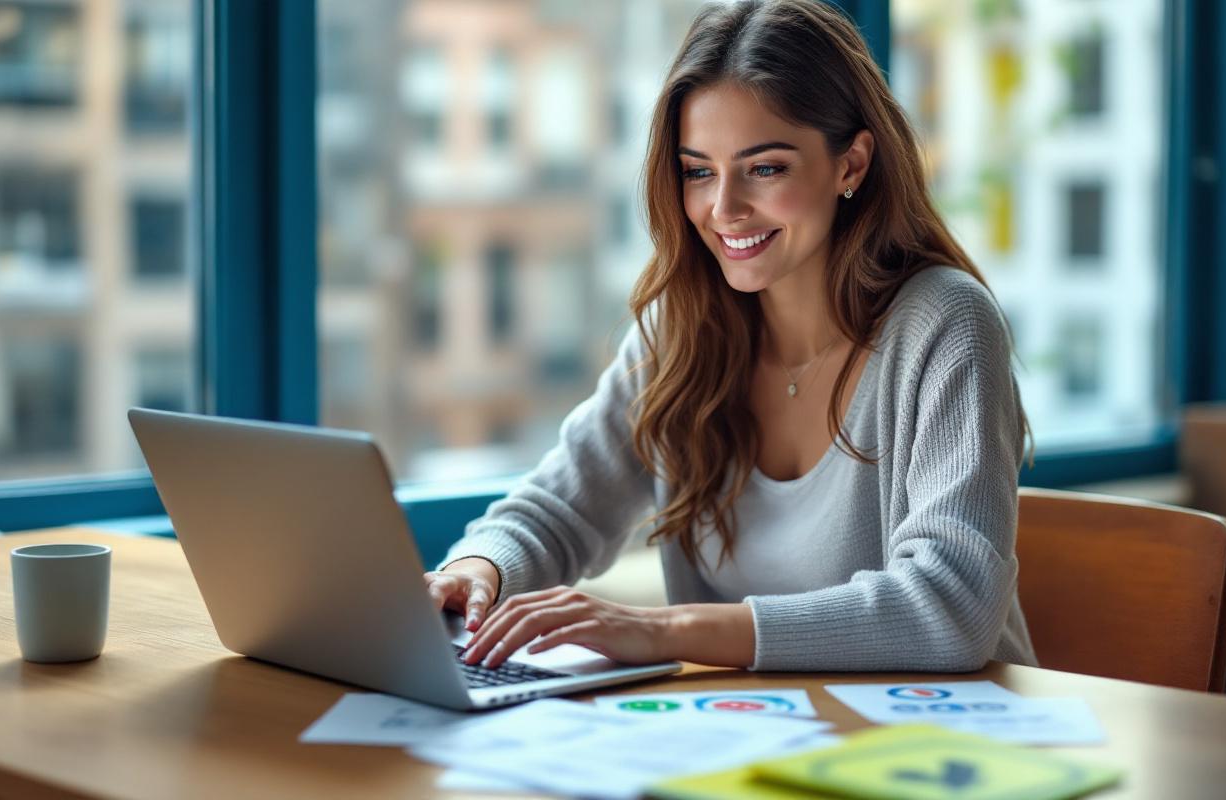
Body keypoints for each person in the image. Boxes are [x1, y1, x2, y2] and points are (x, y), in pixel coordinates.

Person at [423, 0, 1037, 674]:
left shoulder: (947, 324)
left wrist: (666, 630)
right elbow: (559, 509)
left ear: (851, 165)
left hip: (942, 751)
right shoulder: (680, 330)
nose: (724, 209)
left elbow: (952, 606)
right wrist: (477, 570)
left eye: (765, 168)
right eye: (698, 171)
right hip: (749, 740)